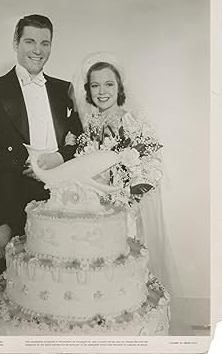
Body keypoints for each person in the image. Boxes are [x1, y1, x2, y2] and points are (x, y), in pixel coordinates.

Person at [0, 14, 82, 282]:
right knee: (11, 290)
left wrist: (59, 157)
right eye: (30, 41)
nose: (38, 50)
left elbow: (81, 142)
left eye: (45, 43)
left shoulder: (65, 90)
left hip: (59, 204)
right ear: (16, 43)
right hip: (10, 205)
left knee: (55, 288)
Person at [67, 53, 181, 301]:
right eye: (95, 85)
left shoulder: (134, 121)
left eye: (109, 84)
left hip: (126, 212)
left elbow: (153, 168)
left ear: (119, 87)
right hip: (93, 212)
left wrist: (125, 195)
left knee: (124, 273)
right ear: (88, 90)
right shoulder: (88, 126)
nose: (102, 91)